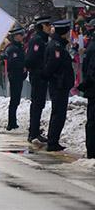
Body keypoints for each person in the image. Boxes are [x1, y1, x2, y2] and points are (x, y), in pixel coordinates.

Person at [41, 19, 75, 152]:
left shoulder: (57, 44)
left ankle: (53, 140)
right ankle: (53, 141)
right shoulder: (56, 46)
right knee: (58, 114)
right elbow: (52, 65)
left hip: (60, 84)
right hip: (59, 84)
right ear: (63, 32)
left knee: (58, 113)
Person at [25, 15, 52, 144]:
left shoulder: (42, 39)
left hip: (40, 75)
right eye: (48, 25)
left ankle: (34, 131)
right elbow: (31, 59)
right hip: (38, 76)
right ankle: (33, 132)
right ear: (42, 26)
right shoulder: (37, 40)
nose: (49, 28)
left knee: (39, 104)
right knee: (36, 104)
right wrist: (41, 70)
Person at [0, 26, 27, 130]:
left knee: (16, 99)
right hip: (15, 75)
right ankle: (11, 122)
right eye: (21, 35)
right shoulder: (13, 49)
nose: (22, 37)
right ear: (16, 36)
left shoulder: (18, 47)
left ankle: (13, 121)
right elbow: (13, 63)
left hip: (18, 76)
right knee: (14, 100)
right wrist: (23, 66)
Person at [80, 20, 95, 158]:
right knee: (92, 121)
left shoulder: (91, 45)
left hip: (91, 89)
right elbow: (91, 71)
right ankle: (92, 151)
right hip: (93, 89)